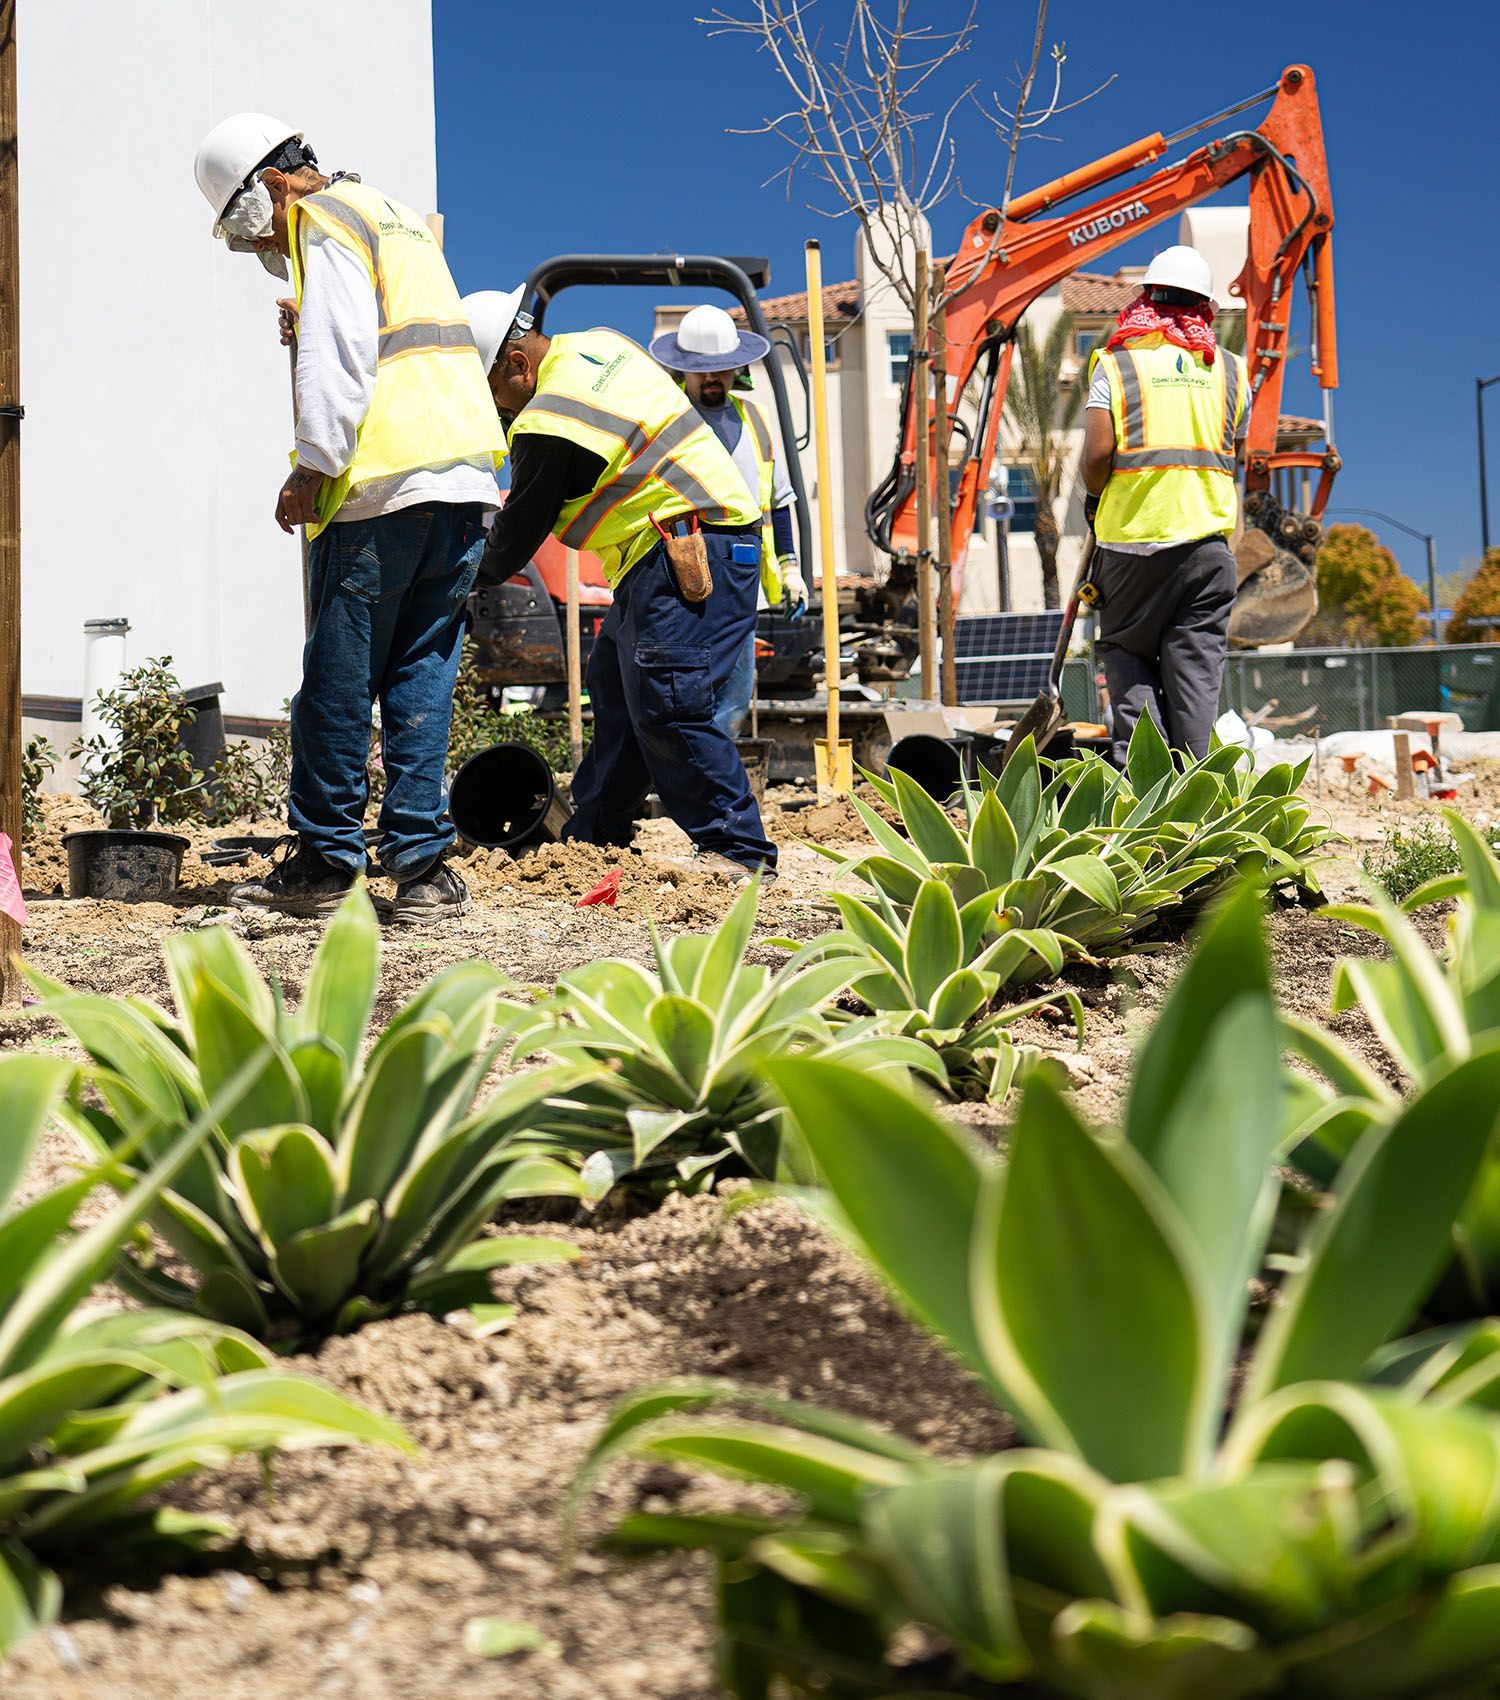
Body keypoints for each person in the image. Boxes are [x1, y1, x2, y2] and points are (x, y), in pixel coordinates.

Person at [192, 113, 504, 921]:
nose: (255, 245)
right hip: (464, 484)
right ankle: (424, 869)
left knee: (337, 680)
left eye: (245, 224)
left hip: (381, 490)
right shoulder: (387, 213)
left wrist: (311, 466)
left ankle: (326, 862)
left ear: (271, 184)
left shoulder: (323, 221)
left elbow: (341, 355)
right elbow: (398, 334)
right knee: (421, 679)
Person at [465, 296, 776, 877]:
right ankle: (596, 834)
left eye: (490, 393)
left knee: (669, 706)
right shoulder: (602, 342)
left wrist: (451, 582)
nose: (494, 410)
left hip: (690, 548)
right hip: (662, 551)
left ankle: (739, 850)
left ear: (516, 364)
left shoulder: (549, 419)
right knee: (618, 699)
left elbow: (513, 538)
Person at [1080, 244, 1250, 767]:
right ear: (1205, 308)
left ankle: (1146, 795)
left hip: (1132, 545)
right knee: (1196, 675)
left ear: (1147, 297)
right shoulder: (1232, 371)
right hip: (1208, 550)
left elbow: (1098, 455)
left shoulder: (1116, 363)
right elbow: (1231, 453)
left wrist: (1094, 498)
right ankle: (1202, 794)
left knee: (1128, 655)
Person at [649, 305, 806, 737]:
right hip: (682, 575)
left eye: (721, 369)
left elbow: (778, 501)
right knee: (685, 688)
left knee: (735, 693)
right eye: (702, 371)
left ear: (737, 368)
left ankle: (716, 787)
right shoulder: (669, 420)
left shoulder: (754, 421)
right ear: (683, 370)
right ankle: (687, 781)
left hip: (741, 579)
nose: (712, 378)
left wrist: (791, 568)